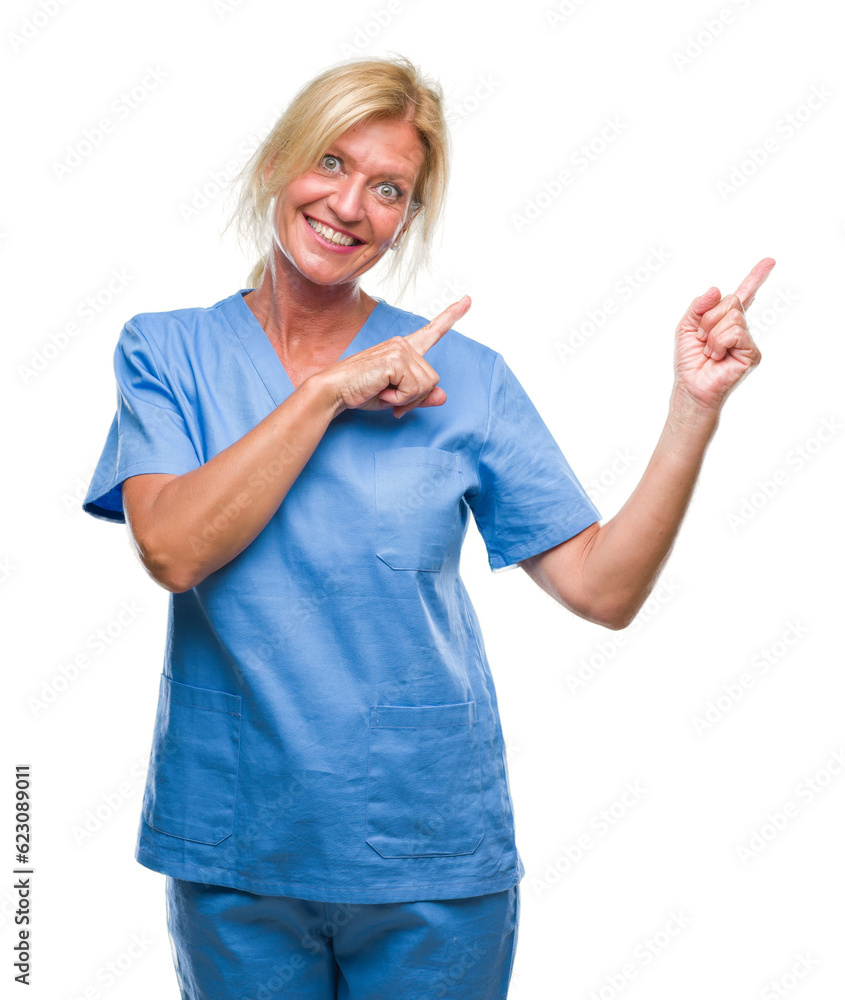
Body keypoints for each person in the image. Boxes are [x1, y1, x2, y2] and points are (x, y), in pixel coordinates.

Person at [81, 53, 774, 1000]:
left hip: (428, 858)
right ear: (277, 164)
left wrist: (693, 407)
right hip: (236, 845)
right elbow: (171, 548)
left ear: (404, 219)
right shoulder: (167, 351)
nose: (349, 204)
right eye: (329, 161)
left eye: (388, 188)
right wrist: (328, 391)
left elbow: (604, 590)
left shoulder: (468, 379)